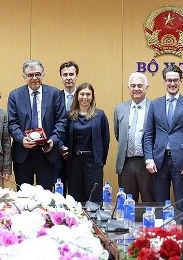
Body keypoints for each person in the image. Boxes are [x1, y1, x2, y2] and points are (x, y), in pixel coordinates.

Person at [142, 65, 183, 213]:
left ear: (180, 81)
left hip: (182, 162)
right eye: (169, 80)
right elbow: (148, 134)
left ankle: (181, 228)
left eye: (175, 80)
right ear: (164, 82)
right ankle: (162, 229)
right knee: (160, 205)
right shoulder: (155, 104)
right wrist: (149, 159)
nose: (172, 83)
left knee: (182, 205)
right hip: (159, 161)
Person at [7, 59, 67, 191]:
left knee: (45, 196)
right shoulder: (15, 96)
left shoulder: (55, 94)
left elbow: (61, 121)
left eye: (38, 74)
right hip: (23, 153)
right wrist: (21, 139)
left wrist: (53, 140)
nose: (34, 78)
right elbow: (12, 123)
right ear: (24, 77)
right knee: (23, 196)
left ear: (43, 75)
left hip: (47, 152)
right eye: (30, 75)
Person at [61, 83, 109, 203]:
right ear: (77, 96)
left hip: (93, 163)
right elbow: (64, 137)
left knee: (94, 199)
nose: (85, 97)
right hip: (74, 163)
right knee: (75, 198)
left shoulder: (100, 115)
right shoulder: (69, 115)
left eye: (88, 94)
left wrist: (100, 161)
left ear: (92, 96)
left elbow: (105, 140)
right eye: (82, 94)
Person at [114, 72, 154, 203]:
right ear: (128, 88)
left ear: (146, 87)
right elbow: (118, 133)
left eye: (140, 85)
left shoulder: (154, 107)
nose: (136, 88)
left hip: (147, 162)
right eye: (133, 85)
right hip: (126, 163)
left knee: (149, 201)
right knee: (128, 203)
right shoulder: (120, 108)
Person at [58, 60, 79, 194]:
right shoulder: (55, 97)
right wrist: (60, 146)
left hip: (78, 152)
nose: (68, 78)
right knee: (59, 191)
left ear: (76, 76)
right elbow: (51, 124)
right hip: (58, 152)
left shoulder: (84, 97)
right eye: (65, 75)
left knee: (76, 192)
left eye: (71, 74)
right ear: (61, 77)